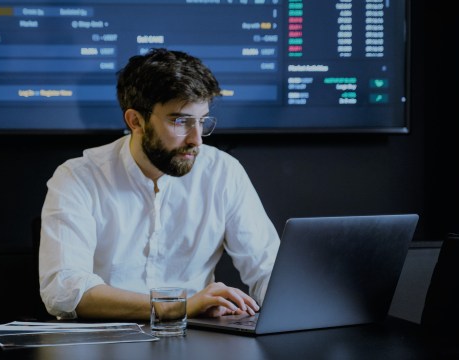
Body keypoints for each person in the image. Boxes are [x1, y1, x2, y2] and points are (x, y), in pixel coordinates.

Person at [39, 48, 280, 320]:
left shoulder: (223, 172)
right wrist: (177, 306)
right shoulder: (77, 177)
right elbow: (63, 290)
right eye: (181, 121)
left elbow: (269, 269)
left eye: (202, 121)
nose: (197, 140)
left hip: (198, 339)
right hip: (105, 342)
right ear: (136, 121)